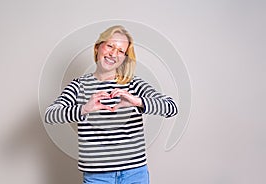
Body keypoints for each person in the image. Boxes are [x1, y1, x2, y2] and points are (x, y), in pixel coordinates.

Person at [45, 25, 178, 184]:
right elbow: (50, 115)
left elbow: (171, 108)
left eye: (121, 51)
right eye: (110, 46)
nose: (114, 54)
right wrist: (84, 109)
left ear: (125, 57)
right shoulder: (79, 86)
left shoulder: (133, 84)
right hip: (97, 176)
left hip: (134, 173)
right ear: (97, 47)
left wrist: (138, 102)